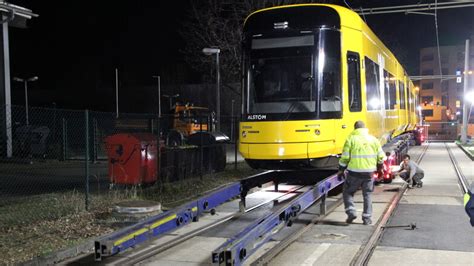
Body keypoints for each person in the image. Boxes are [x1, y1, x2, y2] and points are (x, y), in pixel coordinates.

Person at [338, 120, 386, 225]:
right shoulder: (373, 139)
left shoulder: (351, 139)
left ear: (355, 129)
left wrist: (341, 170)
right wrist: (380, 169)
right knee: (367, 195)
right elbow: (381, 157)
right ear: (365, 128)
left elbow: (345, 157)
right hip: (369, 173)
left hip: (354, 173)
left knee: (348, 192)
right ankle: (367, 218)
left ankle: (351, 212)